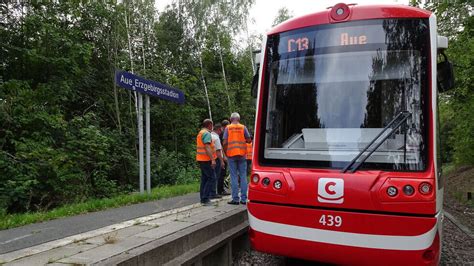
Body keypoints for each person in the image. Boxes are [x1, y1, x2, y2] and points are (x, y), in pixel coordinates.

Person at [223, 113, 251, 205]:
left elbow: (225, 142)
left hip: (231, 155)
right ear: (238, 119)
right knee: (243, 176)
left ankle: (235, 199)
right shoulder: (243, 127)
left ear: (231, 119)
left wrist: (226, 152)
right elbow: (249, 140)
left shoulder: (228, 128)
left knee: (234, 176)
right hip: (242, 154)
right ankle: (244, 199)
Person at [196, 119, 217, 206]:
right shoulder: (207, 134)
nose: (212, 127)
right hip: (206, 159)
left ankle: (203, 198)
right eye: (212, 125)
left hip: (201, 159)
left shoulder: (201, 132)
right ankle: (205, 198)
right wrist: (212, 159)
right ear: (209, 125)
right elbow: (207, 147)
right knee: (212, 178)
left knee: (204, 178)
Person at [209, 123, 225, 199]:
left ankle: (210, 192)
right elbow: (218, 151)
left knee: (210, 176)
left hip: (209, 158)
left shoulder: (209, 135)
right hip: (217, 158)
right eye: (221, 130)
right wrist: (222, 161)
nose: (222, 131)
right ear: (218, 129)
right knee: (216, 176)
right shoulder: (216, 138)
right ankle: (213, 193)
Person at [217, 119, 230, 195]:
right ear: (225, 126)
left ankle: (221, 189)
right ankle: (220, 190)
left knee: (222, 173)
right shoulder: (223, 134)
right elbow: (222, 145)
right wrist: (225, 156)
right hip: (223, 156)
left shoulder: (220, 133)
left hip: (223, 155)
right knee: (221, 173)